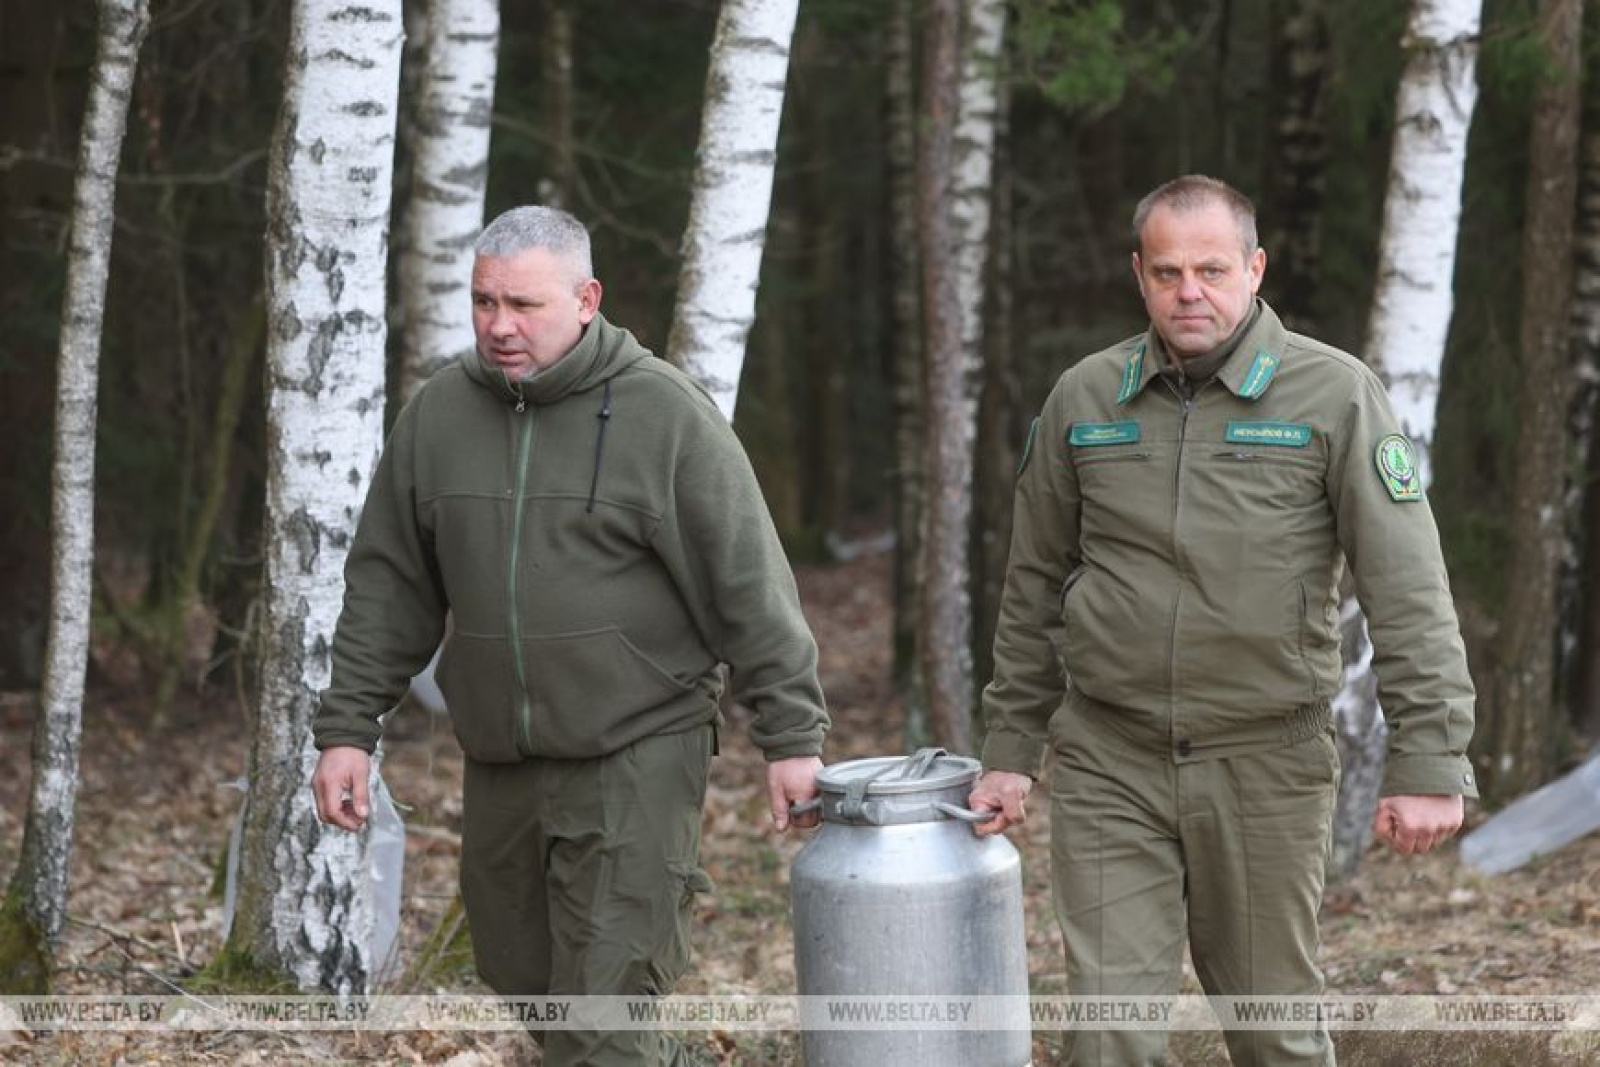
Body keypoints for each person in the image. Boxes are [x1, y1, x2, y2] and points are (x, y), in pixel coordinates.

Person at [968, 175, 1477, 1066]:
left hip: (1265, 763)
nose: (1189, 291)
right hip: (1109, 760)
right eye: (1167, 272)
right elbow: (1034, 586)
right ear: (1139, 275)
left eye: (1211, 268)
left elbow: (1409, 588)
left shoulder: (1334, 396)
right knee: (1108, 1036)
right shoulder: (1086, 401)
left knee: (1271, 1031)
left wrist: (1430, 757)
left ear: (1255, 267)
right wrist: (1010, 749)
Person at [310, 205, 829, 1066]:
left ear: (587, 299)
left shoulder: (664, 414)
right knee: (528, 981)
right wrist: (346, 730)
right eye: (483, 302)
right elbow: (388, 585)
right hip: (504, 757)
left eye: (524, 304)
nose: (499, 325)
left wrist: (792, 735)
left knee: (605, 1010)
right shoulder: (439, 416)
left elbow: (750, 582)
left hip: (637, 744)